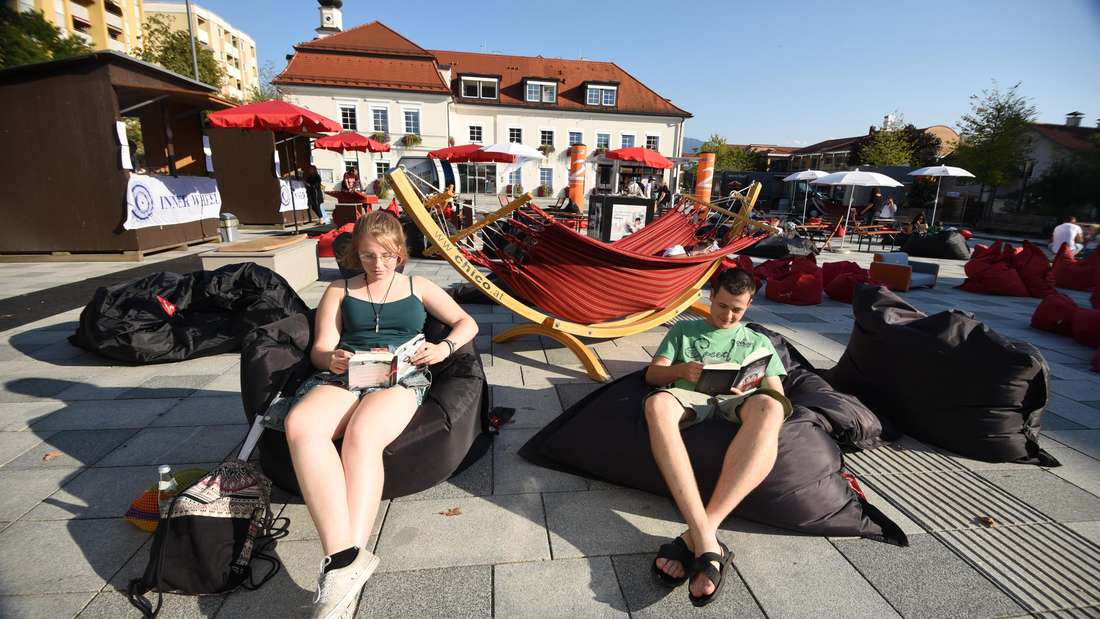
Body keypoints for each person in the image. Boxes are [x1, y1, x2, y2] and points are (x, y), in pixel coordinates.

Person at [281, 212, 478, 619]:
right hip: (347, 375)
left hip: (401, 377)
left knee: (363, 434)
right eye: (369, 255)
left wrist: (444, 348)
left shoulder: (418, 286)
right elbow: (320, 348)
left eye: (387, 255)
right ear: (357, 253)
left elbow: (466, 322)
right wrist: (331, 358)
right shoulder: (339, 289)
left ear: (400, 252)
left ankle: (340, 572)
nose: (379, 264)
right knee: (300, 424)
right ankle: (346, 561)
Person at [645, 268, 792, 606]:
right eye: (722, 306)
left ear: (749, 304)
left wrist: (751, 388)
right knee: (656, 405)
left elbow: (777, 394)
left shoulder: (758, 342)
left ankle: (696, 537)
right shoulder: (684, 331)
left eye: (737, 310)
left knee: (771, 409)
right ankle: (708, 543)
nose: (727, 316)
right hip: (690, 395)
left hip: (737, 400)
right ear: (711, 297)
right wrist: (680, 370)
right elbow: (653, 374)